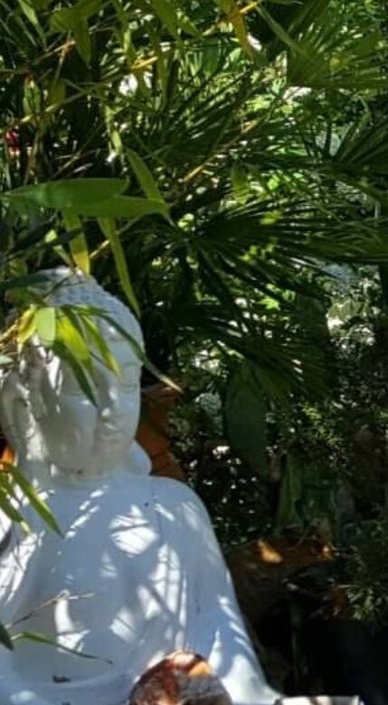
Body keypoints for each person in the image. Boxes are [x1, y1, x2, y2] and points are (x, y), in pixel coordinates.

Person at [0, 269, 280, 705]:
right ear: (25, 402)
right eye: (86, 388)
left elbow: (217, 626)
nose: (113, 409)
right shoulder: (18, 516)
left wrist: (254, 695)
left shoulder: (174, 507)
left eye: (127, 383)